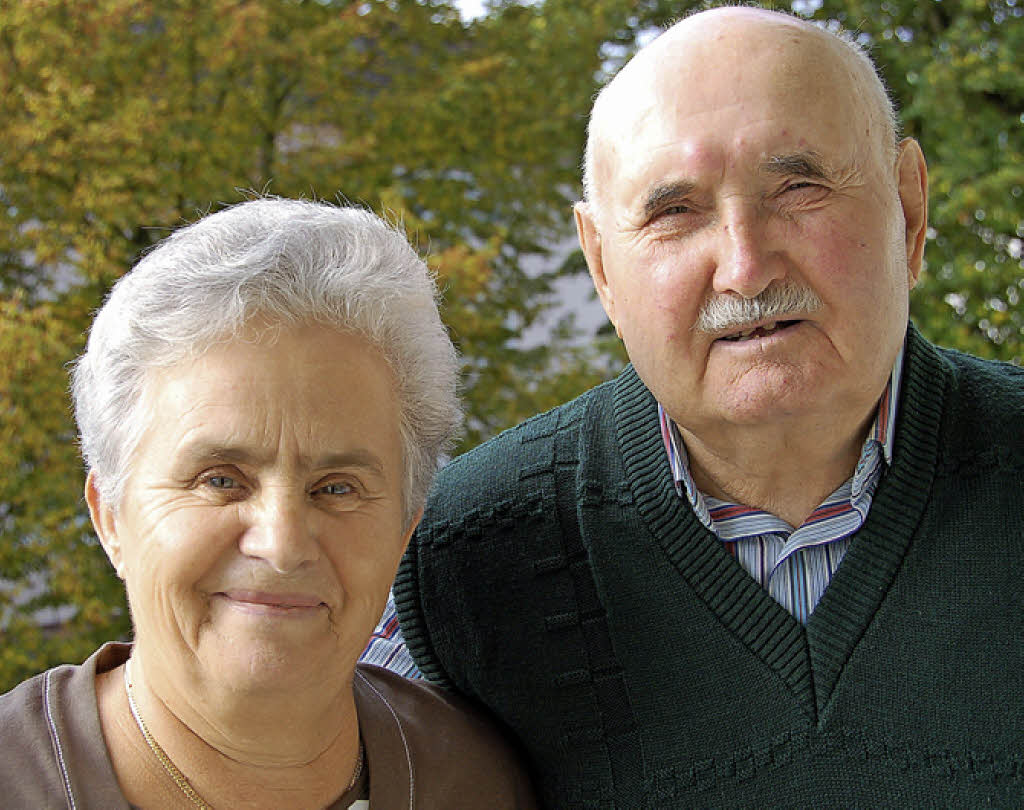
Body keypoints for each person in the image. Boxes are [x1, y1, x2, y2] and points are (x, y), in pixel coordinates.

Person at [391, 6, 1024, 808]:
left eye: (799, 188)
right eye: (674, 212)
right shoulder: (459, 556)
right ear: (602, 267)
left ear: (908, 209)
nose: (746, 267)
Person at [0, 198, 538, 809]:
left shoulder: (473, 785)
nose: (281, 545)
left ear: (404, 529)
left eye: (336, 487)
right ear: (110, 516)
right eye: (220, 480)